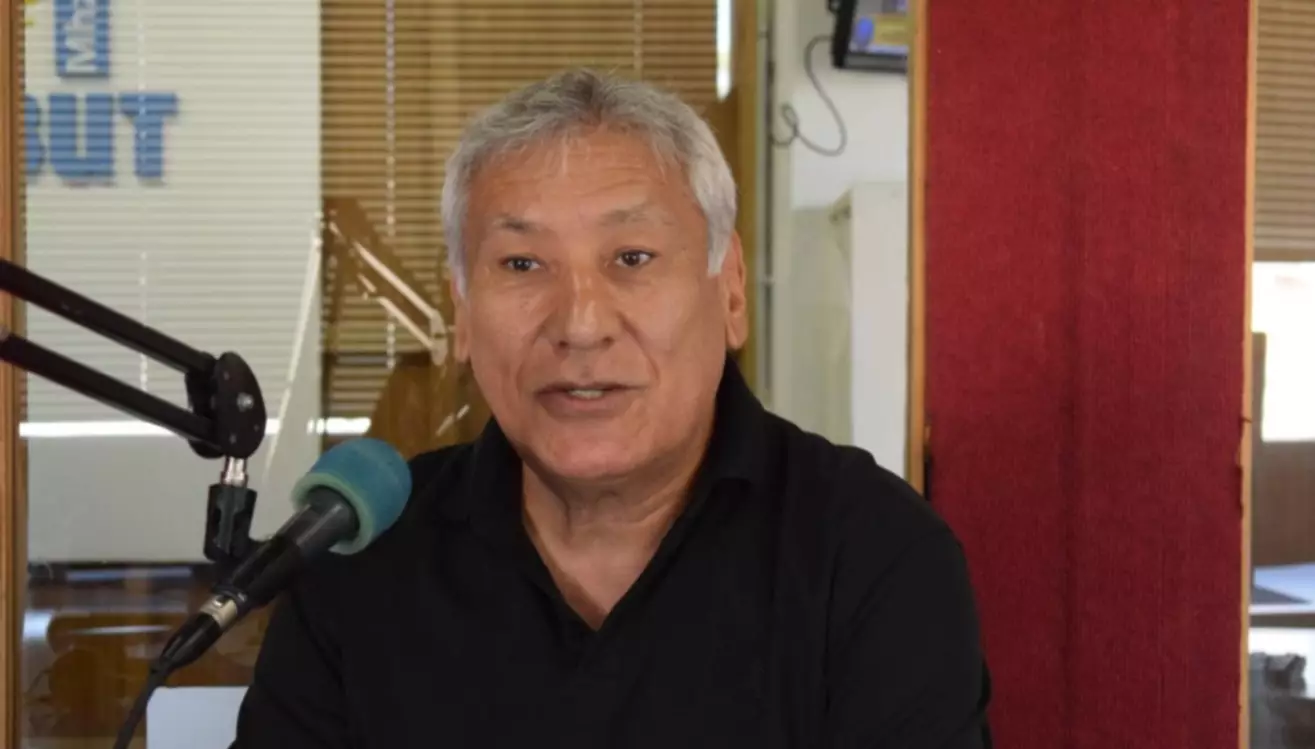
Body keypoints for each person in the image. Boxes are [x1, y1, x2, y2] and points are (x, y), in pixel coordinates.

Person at [232, 68, 991, 748]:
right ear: (461, 313)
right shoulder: (361, 559)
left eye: (632, 258)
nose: (580, 323)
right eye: (522, 263)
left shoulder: (872, 555)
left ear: (730, 290)